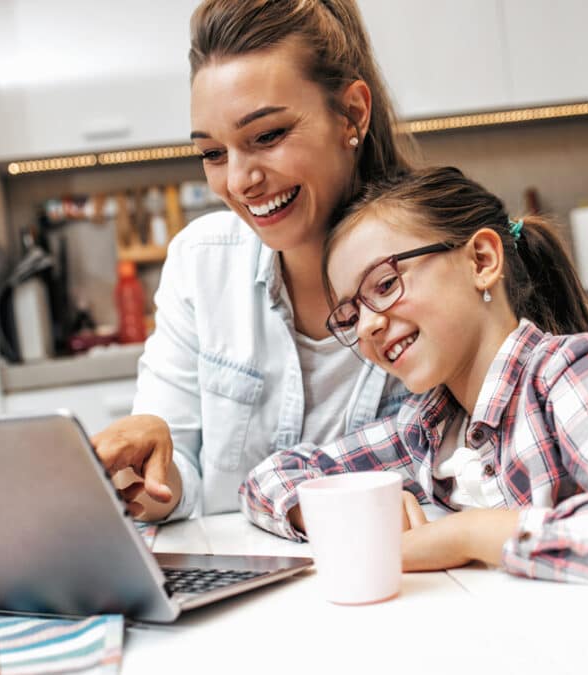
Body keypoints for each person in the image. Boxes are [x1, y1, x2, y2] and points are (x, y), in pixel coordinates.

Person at [239, 166, 588, 673]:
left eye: (384, 285)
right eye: (351, 314)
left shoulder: (571, 378)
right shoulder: (429, 429)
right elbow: (270, 477)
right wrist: (342, 511)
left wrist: (471, 533)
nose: (368, 328)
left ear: (481, 261)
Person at [90, 0, 414, 521]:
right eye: (213, 154)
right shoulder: (201, 263)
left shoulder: (435, 268)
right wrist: (145, 474)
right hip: (246, 594)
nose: (239, 181)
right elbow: (179, 487)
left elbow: (476, 477)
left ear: (352, 114)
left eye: (266, 137)